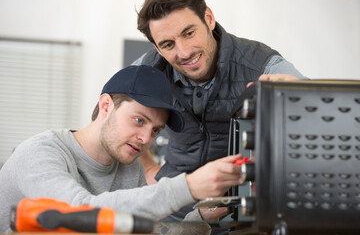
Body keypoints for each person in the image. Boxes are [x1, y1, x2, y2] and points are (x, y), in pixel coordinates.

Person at [0, 65, 245, 233]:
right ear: (106, 106)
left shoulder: (129, 167)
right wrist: (188, 186)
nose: (145, 139)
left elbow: (141, 230)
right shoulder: (39, 153)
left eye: (156, 130)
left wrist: (201, 218)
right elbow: (79, 214)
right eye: (139, 120)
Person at [133, 0, 309, 219]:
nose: (184, 52)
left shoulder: (264, 64)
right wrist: (147, 168)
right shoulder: (145, 71)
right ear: (157, 48)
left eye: (189, 33)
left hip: (246, 209)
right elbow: (110, 122)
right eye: (168, 44)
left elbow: (320, 119)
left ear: (208, 18)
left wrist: (303, 99)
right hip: (174, 208)